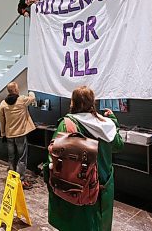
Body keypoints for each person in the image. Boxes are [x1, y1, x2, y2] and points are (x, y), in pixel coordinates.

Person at [47, 86, 124, 231]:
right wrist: (114, 120)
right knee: (99, 223)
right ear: (92, 102)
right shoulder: (106, 124)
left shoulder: (67, 124)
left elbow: (53, 155)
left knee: (77, 224)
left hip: (76, 186)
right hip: (102, 186)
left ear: (72, 103)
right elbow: (118, 146)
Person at [0, 82, 36, 189]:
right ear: (15, 90)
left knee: (11, 157)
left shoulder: (3, 104)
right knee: (22, 157)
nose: (18, 90)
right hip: (20, 134)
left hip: (9, 134)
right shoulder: (22, 100)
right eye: (17, 88)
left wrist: (3, 133)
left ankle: (11, 177)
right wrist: (32, 90)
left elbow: (1, 120)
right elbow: (32, 98)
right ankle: (21, 179)